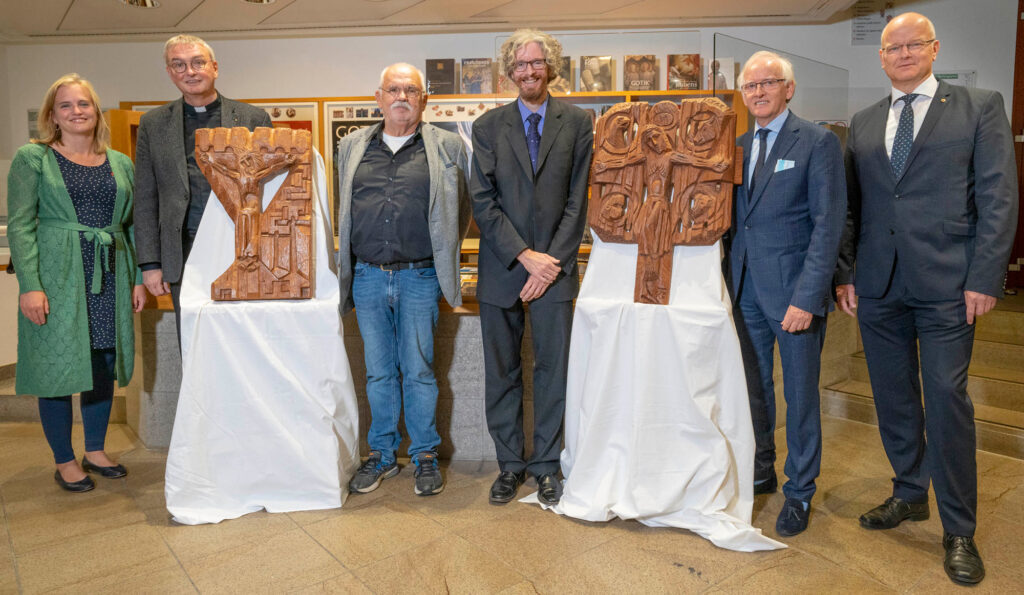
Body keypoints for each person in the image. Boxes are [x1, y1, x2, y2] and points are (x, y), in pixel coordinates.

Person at [836, 12, 1017, 585]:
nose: (904, 53)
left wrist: (986, 277)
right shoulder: (863, 123)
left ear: (935, 49)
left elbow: (998, 196)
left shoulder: (979, 106)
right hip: (879, 286)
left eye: (915, 44)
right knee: (893, 399)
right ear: (882, 57)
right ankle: (910, 492)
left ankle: (959, 528)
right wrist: (847, 274)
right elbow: (852, 207)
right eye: (893, 46)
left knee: (945, 400)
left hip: (949, 286)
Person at [7, 74, 147, 492]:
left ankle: (95, 449)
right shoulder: (33, 159)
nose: (76, 112)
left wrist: (138, 278)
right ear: (52, 115)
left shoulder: (121, 162)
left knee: (102, 364)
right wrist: (29, 285)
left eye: (83, 104)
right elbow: (20, 225)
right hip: (57, 276)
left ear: (96, 110)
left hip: (109, 273)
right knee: (57, 368)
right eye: (65, 106)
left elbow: (135, 224)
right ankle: (64, 460)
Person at [336, 63, 470, 496]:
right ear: (378, 97)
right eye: (393, 89)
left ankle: (425, 455)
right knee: (377, 373)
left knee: (419, 371)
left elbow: (460, 209)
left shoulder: (447, 146)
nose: (401, 97)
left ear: (423, 99)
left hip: (420, 277)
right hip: (368, 277)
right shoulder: (352, 146)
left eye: (410, 90)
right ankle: (380, 456)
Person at [471, 29, 593, 505]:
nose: (528, 71)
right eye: (520, 65)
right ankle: (509, 465)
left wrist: (549, 265)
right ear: (509, 71)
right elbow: (483, 202)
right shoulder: (487, 127)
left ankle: (545, 465)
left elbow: (577, 202)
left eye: (536, 63)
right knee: (500, 372)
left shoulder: (578, 123)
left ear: (551, 67)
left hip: (556, 274)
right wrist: (526, 257)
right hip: (503, 269)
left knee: (551, 371)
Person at [727, 51, 846, 536]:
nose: (758, 92)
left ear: (788, 89)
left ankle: (799, 491)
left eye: (768, 83)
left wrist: (808, 296)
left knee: (799, 398)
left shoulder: (818, 142)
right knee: (754, 392)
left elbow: (828, 224)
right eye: (750, 85)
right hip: (744, 292)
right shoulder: (734, 146)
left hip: (795, 295)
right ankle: (762, 468)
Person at [133, 34, 271, 341]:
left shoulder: (252, 118)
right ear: (170, 73)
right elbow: (145, 198)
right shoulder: (153, 124)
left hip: (239, 249)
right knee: (195, 340)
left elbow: (270, 189)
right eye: (178, 65)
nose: (190, 72)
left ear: (215, 67)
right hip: (184, 252)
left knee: (242, 340)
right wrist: (150, 264)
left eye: (198, 62)